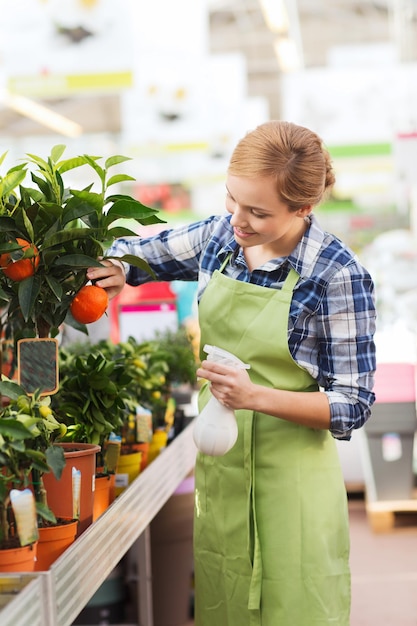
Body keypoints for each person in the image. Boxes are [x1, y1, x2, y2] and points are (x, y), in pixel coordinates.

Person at [88, 120, 376, 625]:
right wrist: (116, 270)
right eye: (232, 199)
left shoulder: (335, 274)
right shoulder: (222, 238)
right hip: (221, 471)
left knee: (295, 607)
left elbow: (353, 404)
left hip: (292, 483)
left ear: (303, 208)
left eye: (258, 212)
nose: (237, 220)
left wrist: (253, 396)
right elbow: (149, 255)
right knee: (224, 605)